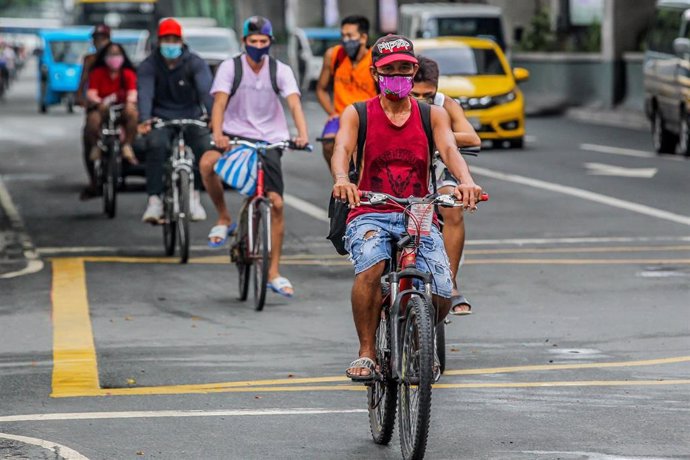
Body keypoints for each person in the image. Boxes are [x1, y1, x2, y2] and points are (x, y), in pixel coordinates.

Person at [330, 35, 483, 380]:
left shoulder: (433, 115)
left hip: (419, 210)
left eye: (404, 68)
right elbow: (342, 148)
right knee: (371, 265)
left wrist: (466, 182)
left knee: (443, 291)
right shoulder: (358, 114)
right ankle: (367, 351)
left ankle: (420, 337)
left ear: (414, 71)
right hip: (370, 209)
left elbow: (450, 150)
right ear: (375, 73)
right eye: (390, 70)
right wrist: (343, 178)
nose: (398, 75)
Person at [199, 16, 309, 298]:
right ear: (244, 42)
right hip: (235, 136)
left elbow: (294, 102)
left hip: (271, 139)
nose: (258, 46)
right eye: (253, 41)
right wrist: (219, 132)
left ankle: (273, 272)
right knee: (206, 164)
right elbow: (220, 102)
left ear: (270, 43)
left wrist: (302, 134)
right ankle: (224, 218)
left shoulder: (279, 70)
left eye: (263, 42)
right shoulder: (230, 68)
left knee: (276, 202)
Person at [411, 55, 481, 315]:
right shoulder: (393, 103)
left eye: (427, 94)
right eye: (415, 94)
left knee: (452, 206)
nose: (421, 100)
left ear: (437, 88)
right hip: (403, 168)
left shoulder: (445, 105)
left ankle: (449, 283)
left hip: (438, 167)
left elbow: (472, 138)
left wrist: (438, 135)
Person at [137, 18, 214, 223]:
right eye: (166, 40)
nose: (170, 44)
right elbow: (144, 93)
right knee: (156, 146)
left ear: (181, 41)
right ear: (159, 41)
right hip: (161, 117)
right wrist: (144, 119)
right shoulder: (149, 65)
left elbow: (206, 91)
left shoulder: (195, 63)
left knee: (204, 147)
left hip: (191, 116)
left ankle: (195, 196)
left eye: (174, 40)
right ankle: (155, 200)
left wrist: (214, 117)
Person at [315, 15, 376, 168]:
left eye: (350, 35)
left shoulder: (374, 59)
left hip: (368, 116)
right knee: (328, 143)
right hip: (341, 115)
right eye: (343, 35)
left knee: (368, 153)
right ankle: (340, 180)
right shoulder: (333, 55)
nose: (345, 40)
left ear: (363, 37)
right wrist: (331, 112)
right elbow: (321, 89)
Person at [84, 43, 139, 165]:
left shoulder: (128, 74)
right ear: (105, 57)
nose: (114, 58)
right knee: (92, 120)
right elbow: (91, 93)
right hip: (102, 109)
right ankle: (96, 147)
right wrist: (99, 103)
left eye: (117, 54)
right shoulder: (97, 73)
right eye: (111, 54)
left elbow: (132, 93)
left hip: (121, 110)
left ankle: (127, 146)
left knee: (133, 114)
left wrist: (129, 103)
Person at [77, 24, 112, 200]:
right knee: (89, 133)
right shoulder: (90, 60)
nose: (100, 42)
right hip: (96, 105)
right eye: (97, 39)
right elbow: (83, 81)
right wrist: (80, 98)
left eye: (102, 38)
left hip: (116, 104)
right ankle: (93, 180)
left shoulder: (116, 56)